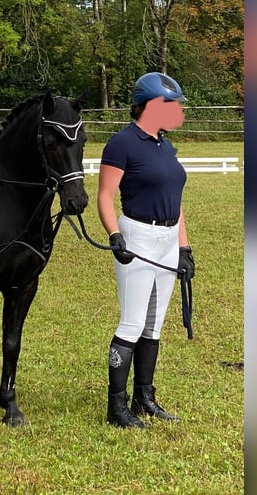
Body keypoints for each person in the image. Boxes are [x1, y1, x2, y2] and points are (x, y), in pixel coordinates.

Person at [97, 71, 196, 428]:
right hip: (137, 235)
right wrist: (114, 235)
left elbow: (176, 200)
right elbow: (105, 196)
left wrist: (184, 246)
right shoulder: (122, 143)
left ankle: (145, 397)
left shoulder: (165, 145)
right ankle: (116, 406)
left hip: (168, 239)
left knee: (154, 326)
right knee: (133, 322)